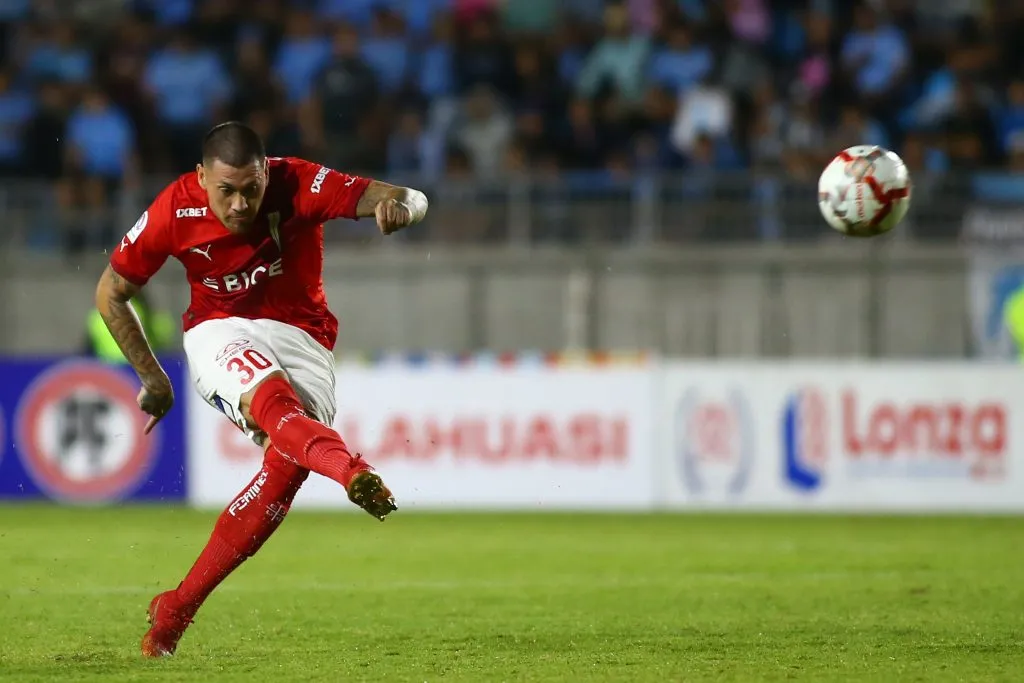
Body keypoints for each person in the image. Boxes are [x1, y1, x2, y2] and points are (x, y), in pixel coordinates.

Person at [94, 121, 428, 658]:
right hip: (218, 328)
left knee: (289, 465)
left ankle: (176, 608)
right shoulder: (172, 210)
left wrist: (403, 208)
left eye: (251, 188)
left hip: (304, 338)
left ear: (266, 171)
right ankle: (351, 470)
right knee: (273, 403)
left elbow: (407, 195)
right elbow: (112, 291)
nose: (241, 203)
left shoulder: (298, 182)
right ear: (201, 177)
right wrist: (153, 377)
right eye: (225, 190)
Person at [85, 290, 175, 362]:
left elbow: (89, 347)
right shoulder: (140, 311)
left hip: (109, 368)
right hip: (138, 367)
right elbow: (157, 341)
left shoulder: (96, 315)